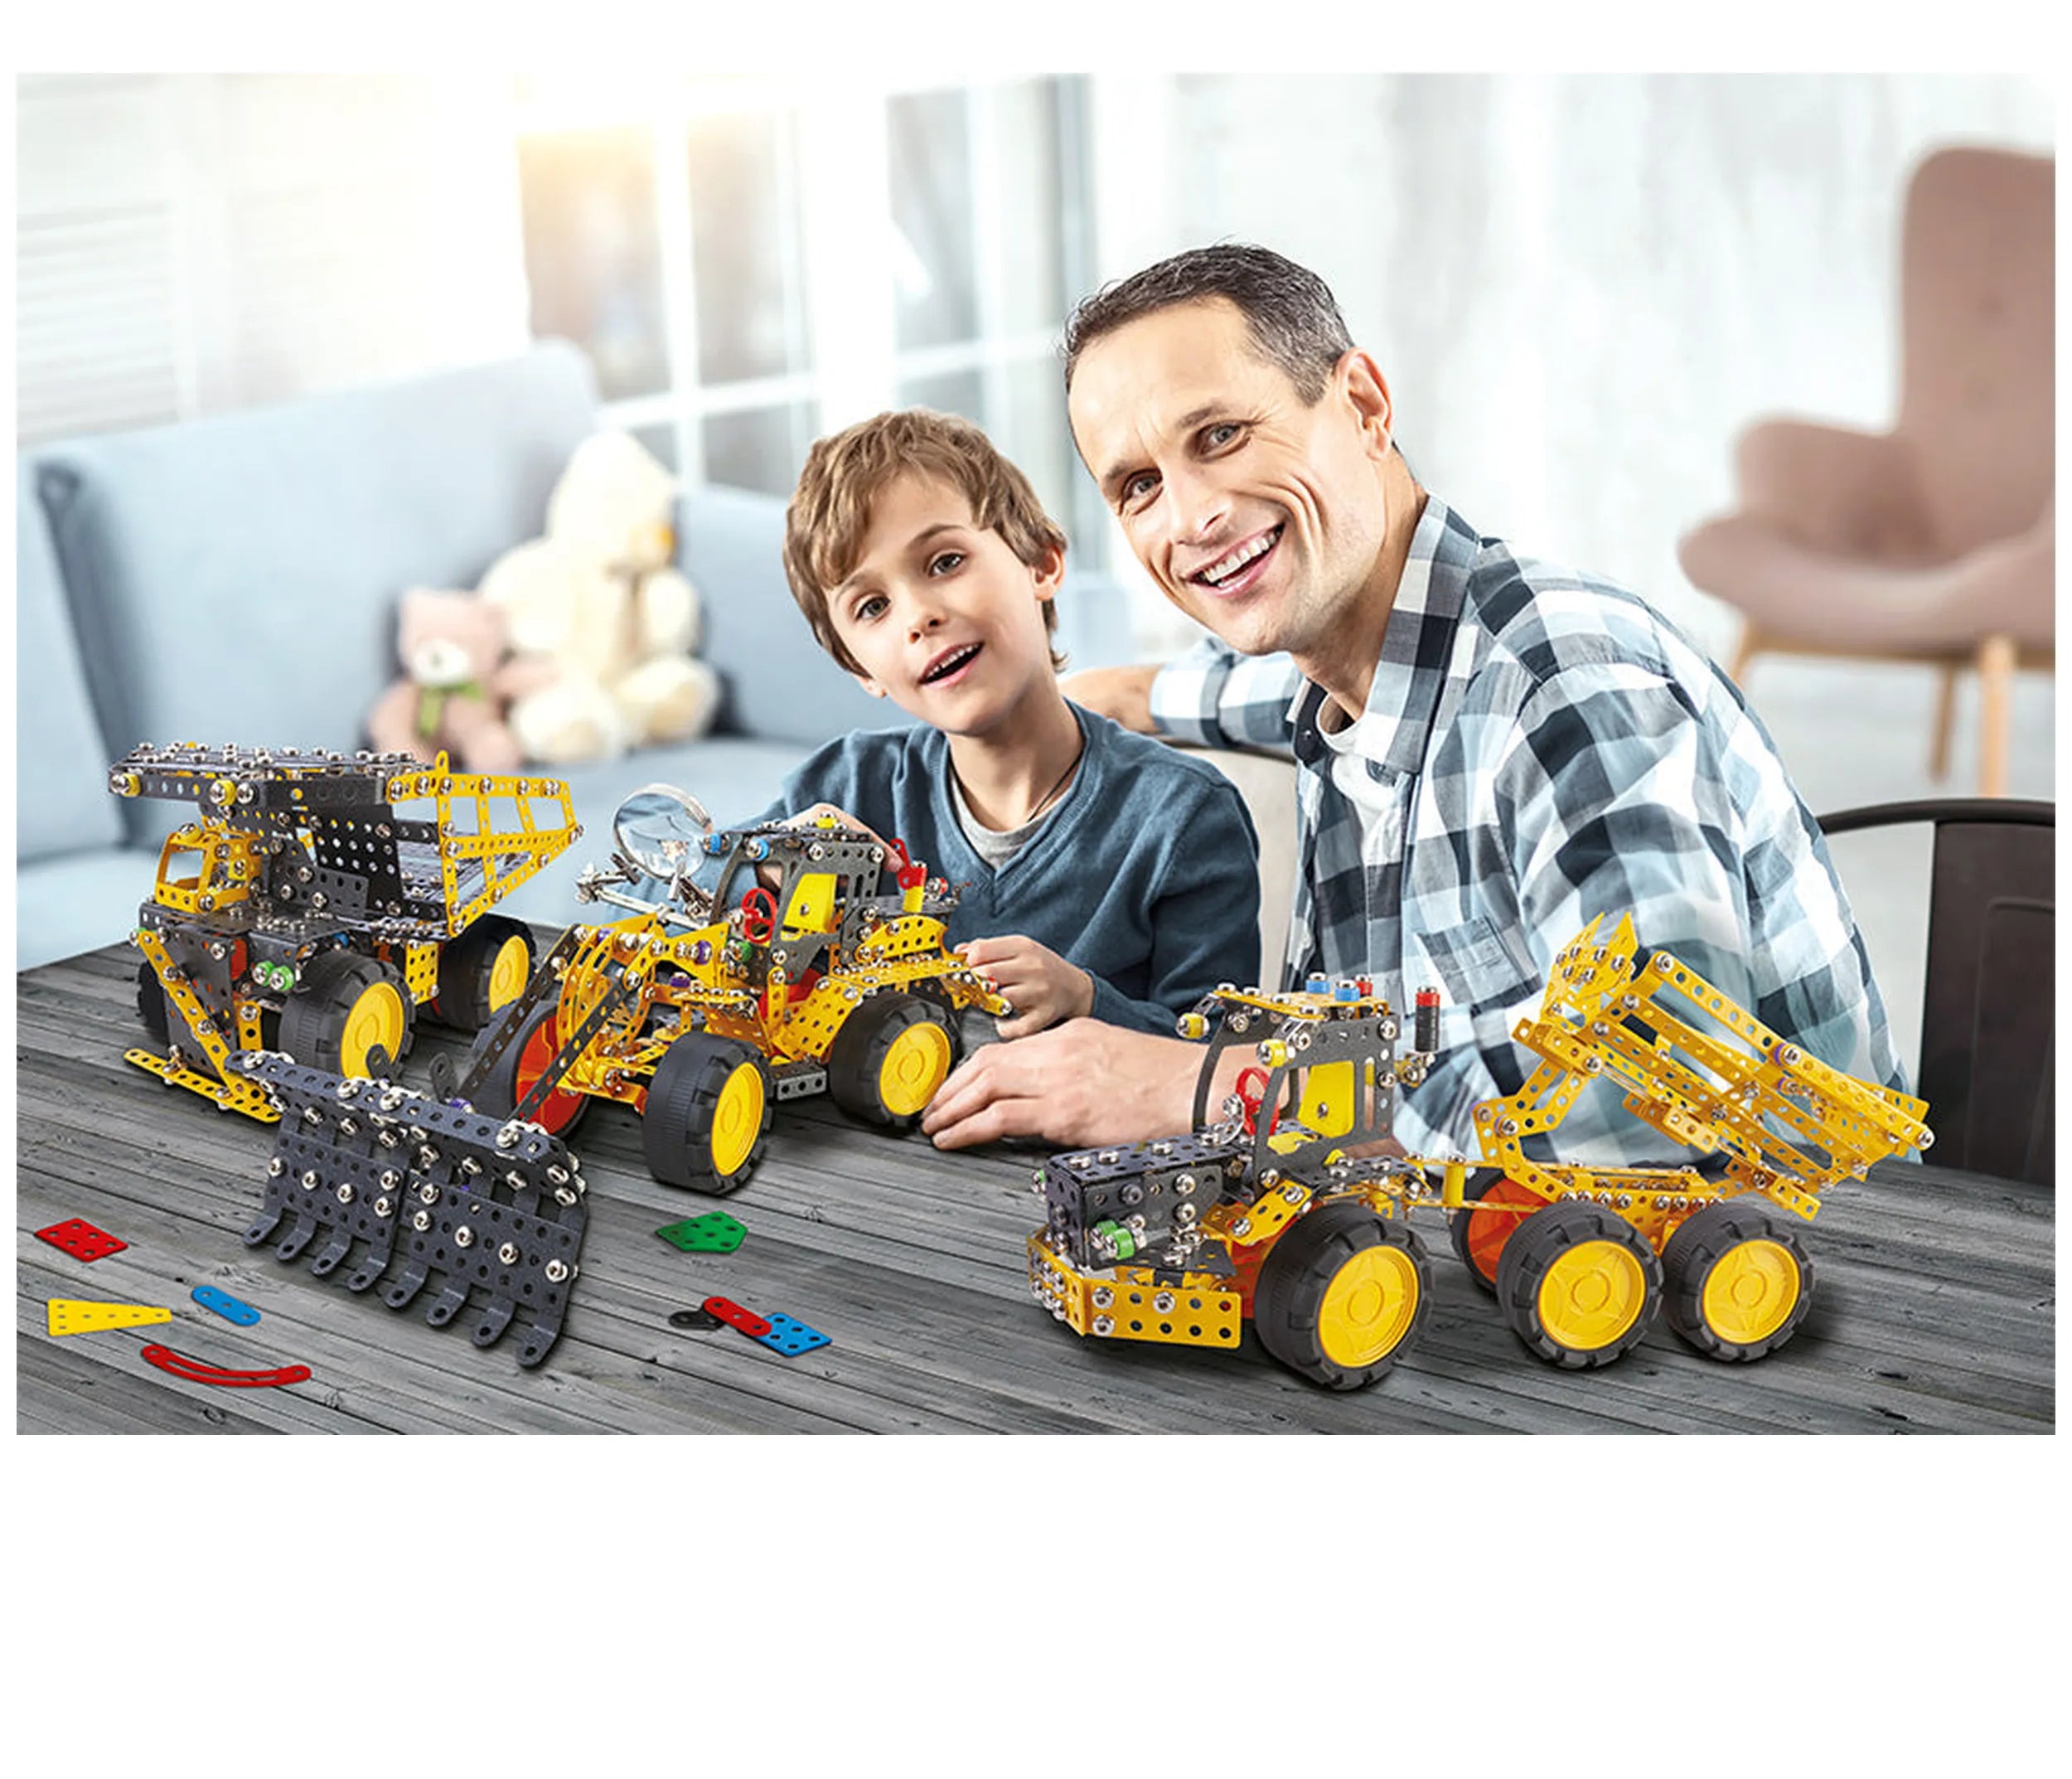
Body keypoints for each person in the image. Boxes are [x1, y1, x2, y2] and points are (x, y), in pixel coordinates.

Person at [921, 243, 1903, 1160]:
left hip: (1796, 1249)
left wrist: (1207, 1085)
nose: (1190, 518)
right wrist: (1114, 693)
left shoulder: (1565, 688)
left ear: (1362, 404)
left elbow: (1658, 1083)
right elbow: (1235, 687)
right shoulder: (1341, 671)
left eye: (1219, 436)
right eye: (1138, 486)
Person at [752, 405, 1261, 1043]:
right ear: (859, 668)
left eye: (944, 563)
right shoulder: (843, 789)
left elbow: (1223, 1053)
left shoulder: (1183, 817)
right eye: (873, 606)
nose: (918, 616)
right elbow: (683, 899)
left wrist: (1085, 999)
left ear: (1041, 564)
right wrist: (761, 870)